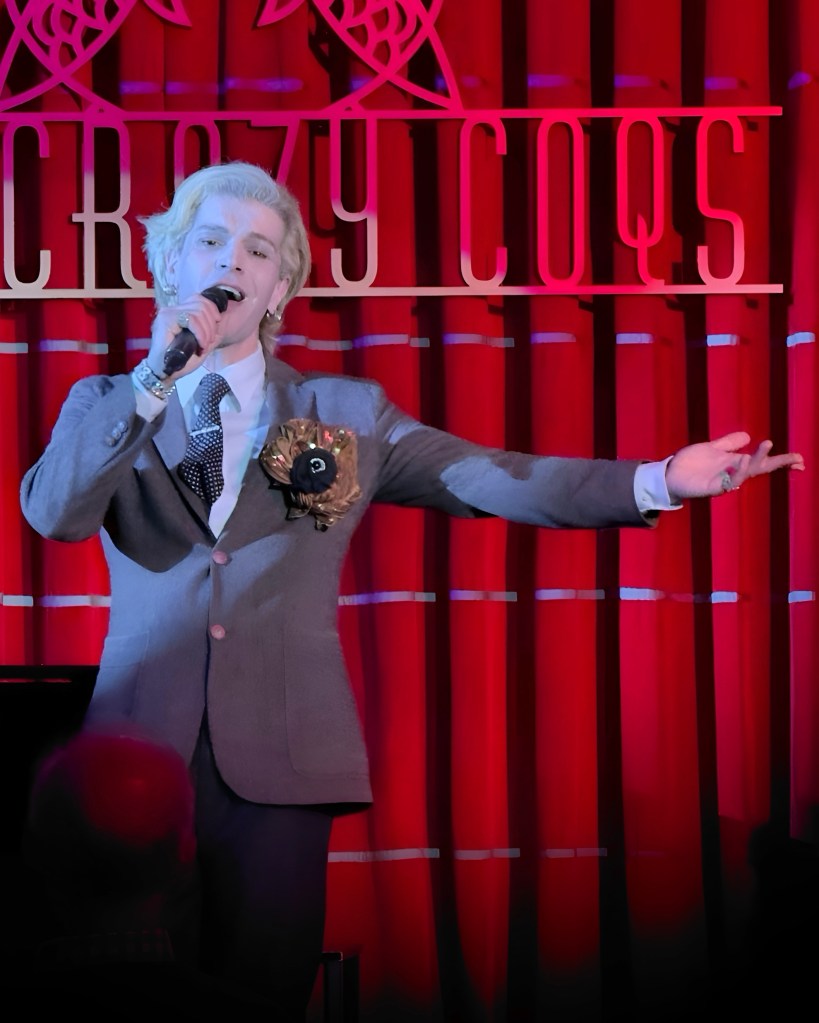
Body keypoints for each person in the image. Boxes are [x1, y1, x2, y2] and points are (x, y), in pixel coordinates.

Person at [19, 161, 805, 1020]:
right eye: (210, 241)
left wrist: (654, 479)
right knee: (118, 997)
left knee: (261, 996)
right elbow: (55, 513)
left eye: (258, 250)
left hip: (281, 762)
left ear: (278, 289)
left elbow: (494, 476)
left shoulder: (344, 412)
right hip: (131, 769)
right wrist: (152, 381)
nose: (232, 261)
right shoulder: (104, 402)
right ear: (171, 262)